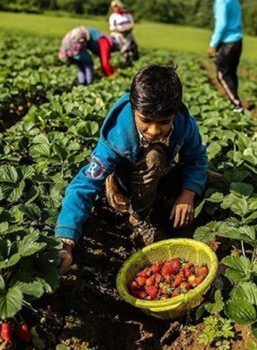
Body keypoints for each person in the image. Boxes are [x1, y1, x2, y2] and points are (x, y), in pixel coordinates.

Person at [56, 65, 208, 274]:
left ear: (175, 111)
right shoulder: (117, 133)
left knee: (214, 181)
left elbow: (197, 157)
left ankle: (162, 203)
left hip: (161, 171)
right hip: (129, 181)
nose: (154, 130)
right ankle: (139, 219)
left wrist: (187, 194)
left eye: (164, 122)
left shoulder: (183, 122)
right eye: (145, 120)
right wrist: (66, 240)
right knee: (153, 157)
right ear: (133, 108)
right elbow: (84, 185)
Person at [204, 0, 244, 112]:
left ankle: (237, 105)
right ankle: (235, 102)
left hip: (228, 42)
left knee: (222, 74)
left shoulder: (221, 0)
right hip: (238, 40)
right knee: (231, 73)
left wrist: (213, 44)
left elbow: (221, 24)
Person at [108, 0, 139, 67]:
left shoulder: (127, 14)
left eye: (117, 6)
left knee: (134, 47)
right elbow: (112, 27)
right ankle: (125, 64)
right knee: (124, 51)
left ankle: (135, 62)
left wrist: (128, 28)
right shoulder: (113, 16)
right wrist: (120, 30)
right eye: (114, 7)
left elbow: (132, 23)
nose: (116, 8)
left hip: (129, 34)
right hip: (120, 35)